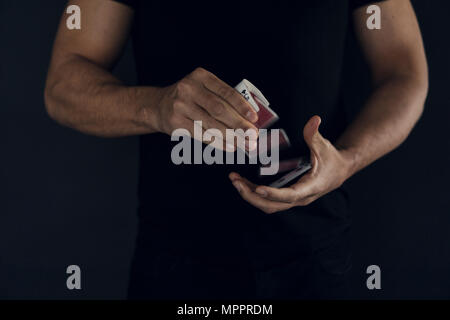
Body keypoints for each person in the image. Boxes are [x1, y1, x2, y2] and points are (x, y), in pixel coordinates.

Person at [44, 0, 428, 299]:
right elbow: (63, 86)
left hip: (313, 257)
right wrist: (155, 106)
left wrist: (347, 159)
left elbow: (405, 73)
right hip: (175, 258)